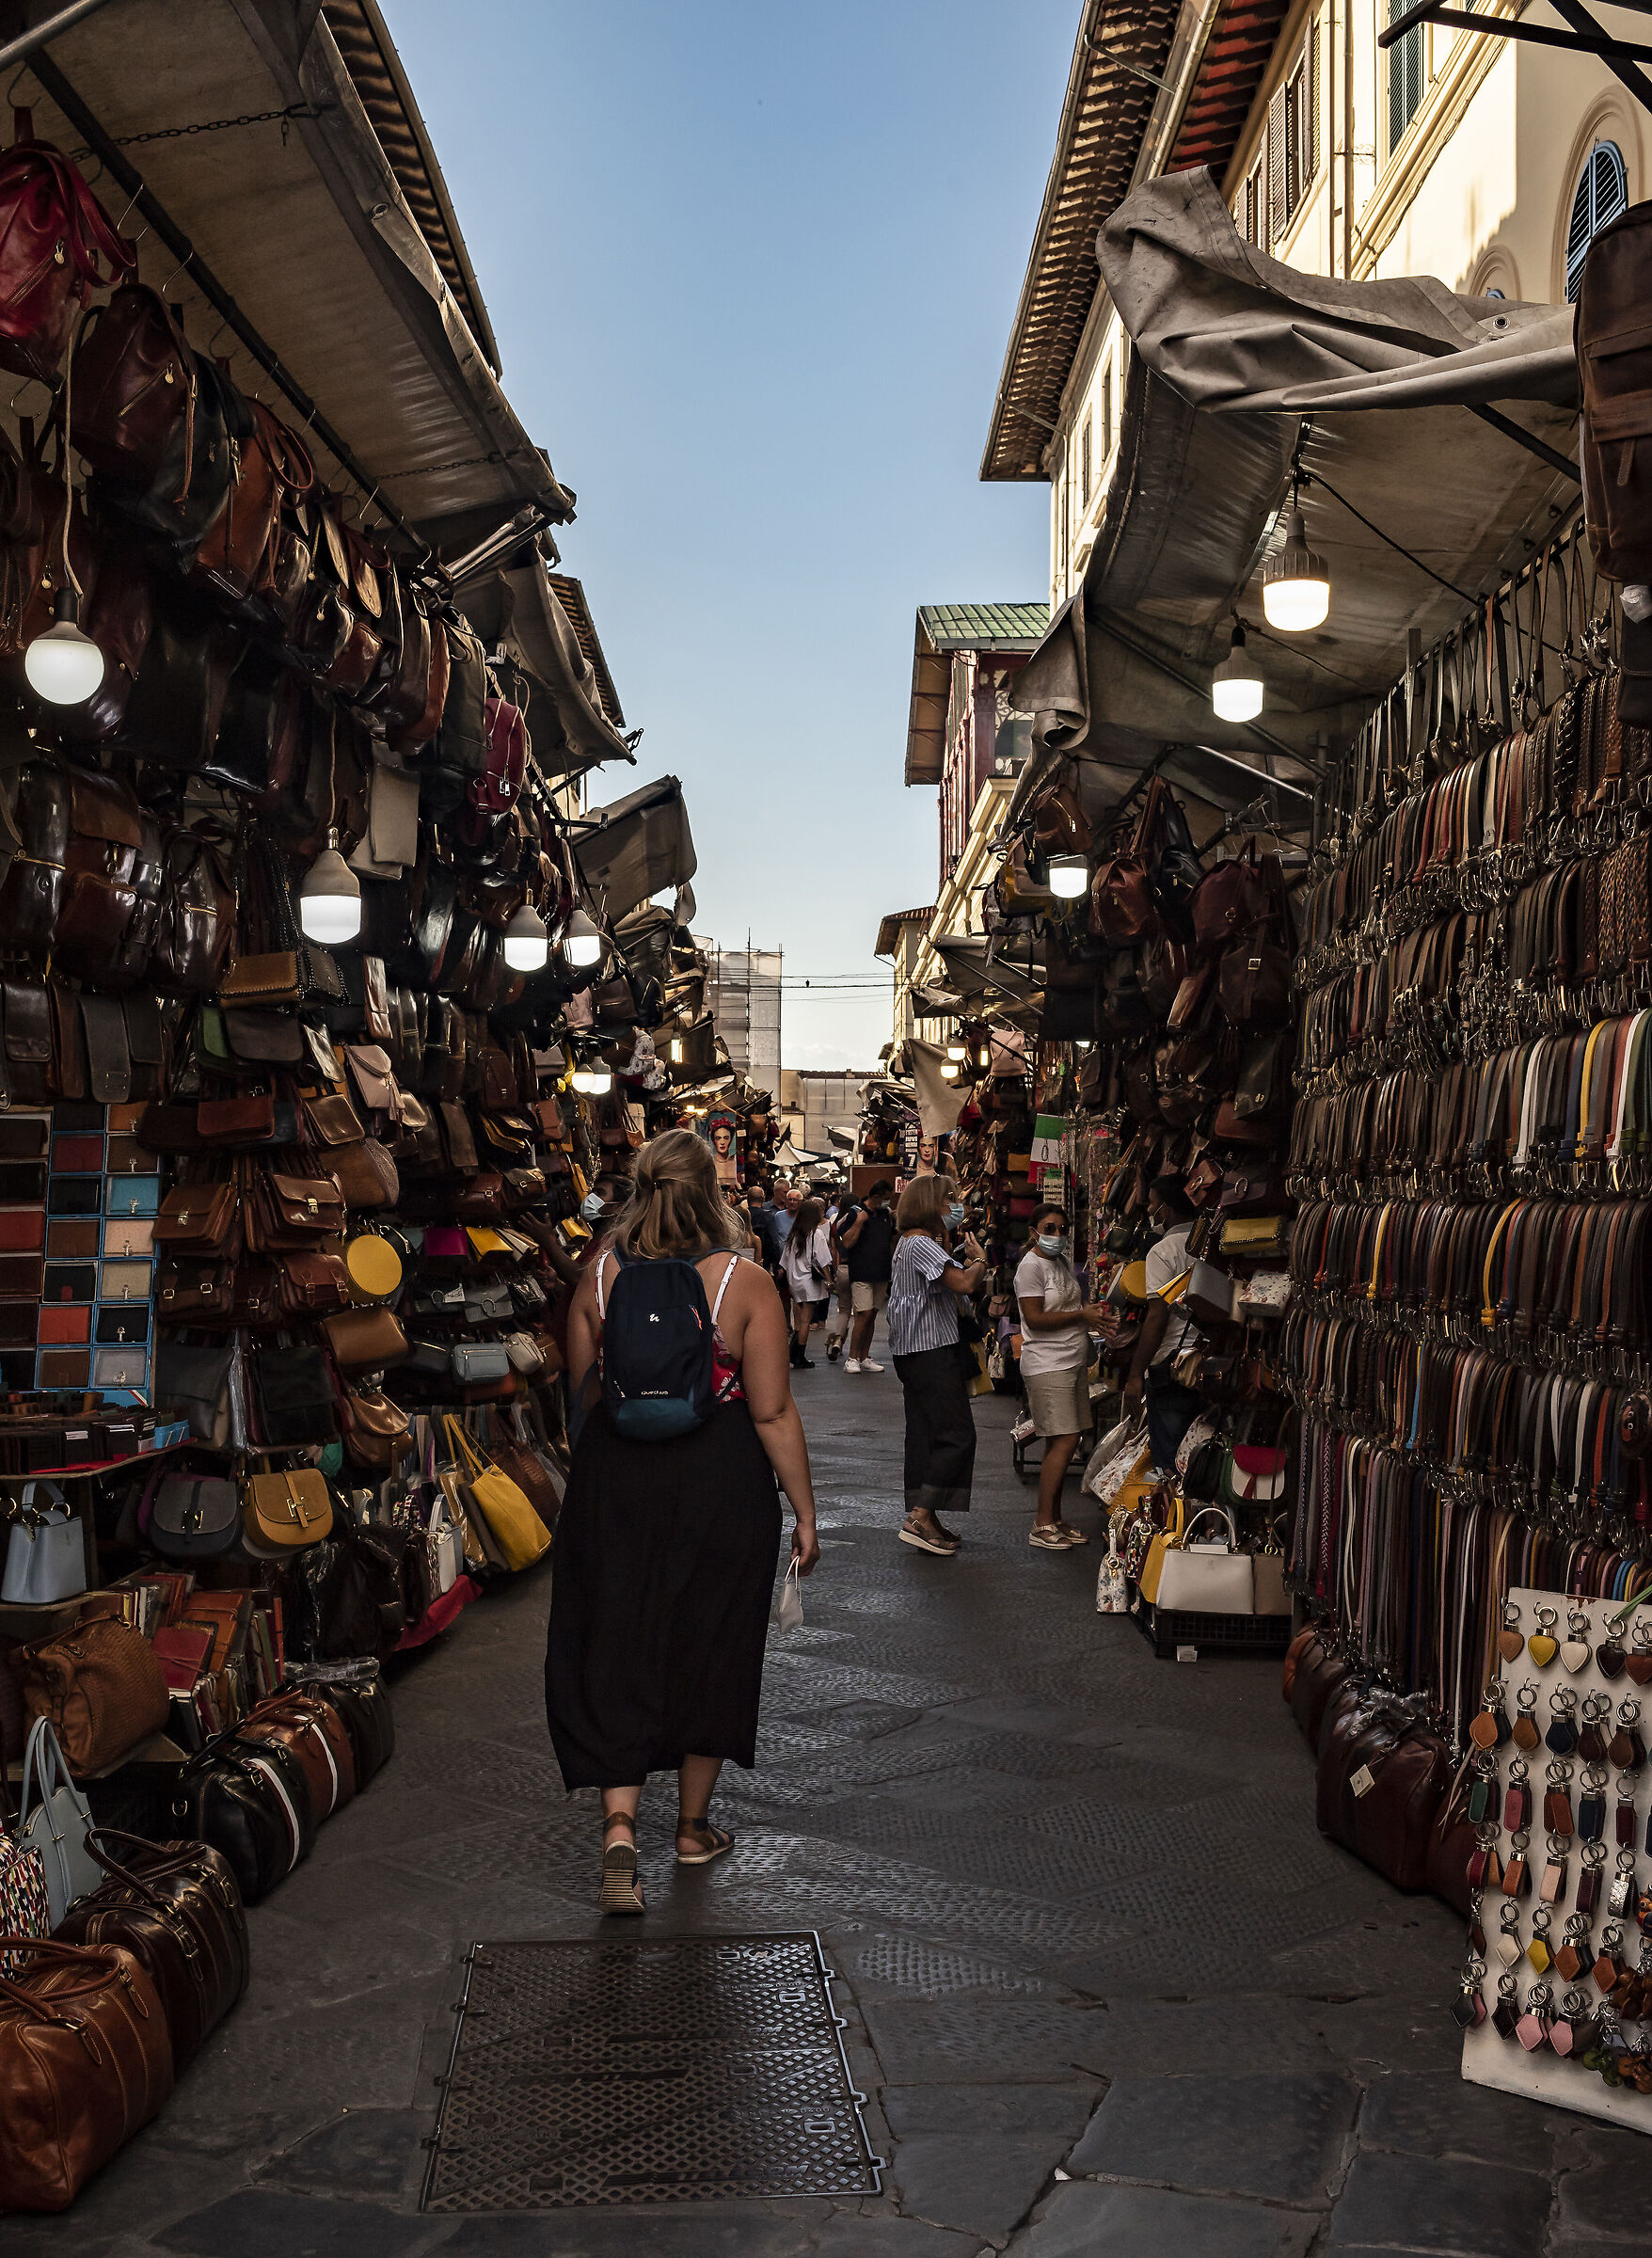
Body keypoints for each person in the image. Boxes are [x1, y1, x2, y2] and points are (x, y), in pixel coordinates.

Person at [546, 1129, 820, 1914]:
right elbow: (771, 1410)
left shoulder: (596, 1276)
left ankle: (620, 1828)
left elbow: (583, 1395)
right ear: (712, 1190)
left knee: (617, 1638)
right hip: (720, 1480)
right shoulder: (746, 1282)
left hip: (617, 1481)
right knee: (712, 1638)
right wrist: (805, 1512)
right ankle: (693, 1830)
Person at [886, 1174, 987, 1556]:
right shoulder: (920, 1243)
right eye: (949, 1200)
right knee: (957, 1433)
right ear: (931, 1204)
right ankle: (920, 1514)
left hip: (914, 1351)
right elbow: (962, 1283)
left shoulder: (908, 1244)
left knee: (927, 1433)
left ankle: (926, 1514)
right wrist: (978, 1261)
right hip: (930, 1351)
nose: (955, 1207)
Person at [1013, 1206, 1108, 1552]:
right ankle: (1041, 1523)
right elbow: (1035, 1319)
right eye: (1048, 1227)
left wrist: (1092, 1318)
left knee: (1064, 1439)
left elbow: (1072, 1308)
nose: (1056, 1233)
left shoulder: (1062, 1264)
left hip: (1071, 1360)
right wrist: (1082, 1314)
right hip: (1046, 1363)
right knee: (1065, 1439)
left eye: (1062, 1228)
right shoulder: (1030, 1268)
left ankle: (1054, 1517)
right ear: (1033, 1231)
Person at [1122, 1175, 1199, 1472]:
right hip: (1208, 1361)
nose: (1151, 1210)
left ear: (1165, 1209)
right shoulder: (1211, 1241)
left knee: (1170, 1457)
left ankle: (1177, 1515)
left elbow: (1157, 1317)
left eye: (1153, 1203)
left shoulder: (1164, 1250)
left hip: (1173, 1366)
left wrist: (1135, 1374)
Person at [839, 1179, 896, 1374]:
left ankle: (865, 1356)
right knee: (862, 1315)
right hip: (861, 1272)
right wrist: (859, 1223)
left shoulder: (886, 1215)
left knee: (871, 1315)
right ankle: (852, 1358)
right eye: (886, 1199)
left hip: (880, 1272)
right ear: (876, 1197)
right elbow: (846, 1242)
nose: (888, 1202)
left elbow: (891, 1240)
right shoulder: (856, 1212)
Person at [780, 1196, 832, 1369]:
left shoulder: (794, 1234)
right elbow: (823, 1259)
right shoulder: (815, 1234)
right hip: (809, 1281)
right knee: (805, 1321)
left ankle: (792, 1352)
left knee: (799, 1318)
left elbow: (784, 1261)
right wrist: (830, 1280)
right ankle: (799, 1356)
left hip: (794, 1280)